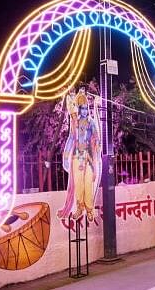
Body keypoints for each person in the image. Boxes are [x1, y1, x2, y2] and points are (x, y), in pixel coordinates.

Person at [58, 88, 102, 221]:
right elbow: (71, 138)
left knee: (88, 183)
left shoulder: (91, 123)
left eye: (85, 108)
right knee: (78, 184)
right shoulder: (75, 123)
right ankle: (79, 208)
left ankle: (89, 209)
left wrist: (94, 162)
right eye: (81, 108)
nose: (83, 110)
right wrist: (66, 155)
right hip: (77, 157)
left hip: (88, 157)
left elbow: (96, 142)